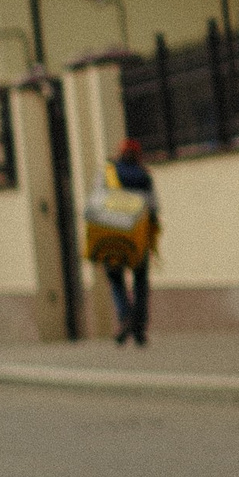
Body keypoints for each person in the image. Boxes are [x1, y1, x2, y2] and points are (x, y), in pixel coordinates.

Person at [101, 138, 159, 346]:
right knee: (140, 281)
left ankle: (125, 318)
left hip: (116, 234)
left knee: (116, 279)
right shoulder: (145, 177)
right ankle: (140, 327)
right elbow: (153, 209)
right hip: (138, 236)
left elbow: (98, 205)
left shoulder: (110, 173)